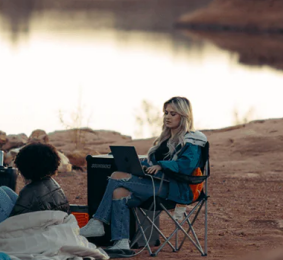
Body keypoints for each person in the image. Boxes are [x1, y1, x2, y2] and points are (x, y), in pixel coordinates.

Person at [80, 97, 207, 250]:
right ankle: (121, 243)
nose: (167, 117)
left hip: (177, 188)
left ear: (184, 116)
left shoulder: (192, 141)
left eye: (173, 114)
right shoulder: (165, 139)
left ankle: (98, 222)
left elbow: (186, 165)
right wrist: (141, 165)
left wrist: (161, 165)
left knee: (116, 176)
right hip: (156, 184)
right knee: (119, 192)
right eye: (166, 113)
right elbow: (154, 163)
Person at [0, 143, 70, 246]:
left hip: (23, 237)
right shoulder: (53, 185)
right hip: (40, 228)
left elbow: (14, 222)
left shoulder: (30, 192)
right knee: (5, 189)